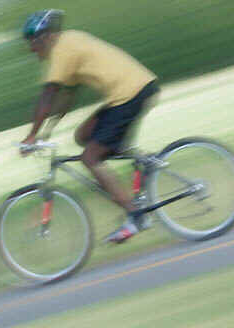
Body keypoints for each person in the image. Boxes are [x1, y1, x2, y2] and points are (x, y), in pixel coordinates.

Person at [20, 9, 161, 243]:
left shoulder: (61, 50)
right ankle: (140, 165)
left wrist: (31, 136)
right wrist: (46, 133)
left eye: (31, 43)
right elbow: (66, 98)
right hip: (132, 90)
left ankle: (136, 217)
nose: (31, 49)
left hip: (128, 95)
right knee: (83, 134)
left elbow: (48, 95)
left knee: (89, 158)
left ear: (43, 37)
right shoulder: (69, 42)